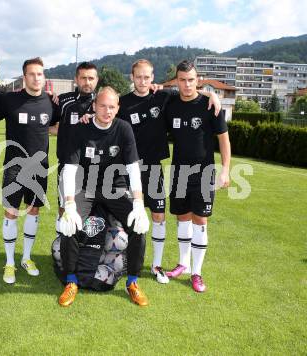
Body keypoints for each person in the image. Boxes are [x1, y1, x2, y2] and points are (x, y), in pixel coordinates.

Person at [118, 59, 221, 285]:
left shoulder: (164, 97)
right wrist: (87, 116)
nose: (143, 81)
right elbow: (102, 111)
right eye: (138, 77)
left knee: (158, 216)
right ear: (131, 77)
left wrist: (211, 94)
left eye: (147, 77)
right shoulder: (121, 102)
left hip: (154, 167)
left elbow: (189, 89)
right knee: (127, 218)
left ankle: (156, 264)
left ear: (153, 78)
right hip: (127, 168)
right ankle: (123, 260)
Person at [58, 86, 150, 307]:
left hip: (114, 188)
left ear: (118, 108)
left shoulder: (124, 129)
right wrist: (69, 204)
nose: (107, 111)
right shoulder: (80, 129)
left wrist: (138, 203)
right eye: (102, 106)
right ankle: (71, 281)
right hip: (86, 188)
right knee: (69, 224)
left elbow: (133, 169)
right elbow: (69, 169)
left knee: (139, 225)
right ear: (94, 106)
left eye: (112, 107)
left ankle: (133, 282)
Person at [164, 60, 231, 292]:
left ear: (198, 80)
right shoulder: (170, 103)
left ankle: (197, 272)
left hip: (204, 173)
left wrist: (225, 169)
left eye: (191, 80)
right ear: (176, 81)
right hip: (179, 172)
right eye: (182, 80)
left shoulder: (210, 105)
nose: (187, 84)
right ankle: (182, 264)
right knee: (182, 217)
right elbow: (151, 94)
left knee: (200, 220)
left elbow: (224, 139)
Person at [0, 57, 58, 284]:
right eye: (32, 74)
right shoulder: (10, 100)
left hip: (39, 168)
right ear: (24, 77)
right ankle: (10, 262)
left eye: (40, 74)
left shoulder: (50, 103)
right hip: (14, 166)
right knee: (11, 211)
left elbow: (56, 126)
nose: (36, 78)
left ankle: (27, 258)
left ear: (44, 76)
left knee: (33, 211)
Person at [54, 62, 98, 238]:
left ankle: (88, 248)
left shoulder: (102, 103)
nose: (87, 82)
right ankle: (60, 244)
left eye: (91, 78)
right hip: (67, 165)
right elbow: (48, 123)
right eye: (83, 78)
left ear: (96, 80)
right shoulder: (64, 101)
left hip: (95, 168)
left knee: (92, 210)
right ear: (76, 80)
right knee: (64, 206)